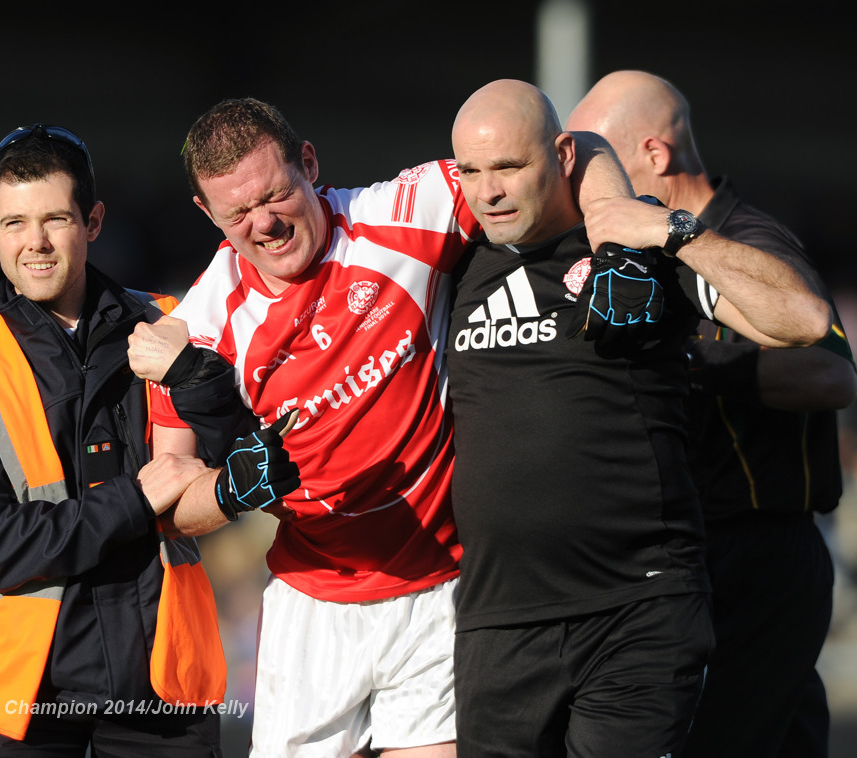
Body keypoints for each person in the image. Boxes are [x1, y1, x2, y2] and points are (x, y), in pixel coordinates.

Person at [125, 96, 631, 757]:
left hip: (442, 590)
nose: (265, 224)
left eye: (276, 195)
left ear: (310, 163)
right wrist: (229, 492)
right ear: (206, 213)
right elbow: (166, 501)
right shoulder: (197, 328)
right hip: (314, 607)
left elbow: (576, 150)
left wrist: (623, 237)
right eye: (237, 213)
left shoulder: (402, 212)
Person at [446, 79, 832, 758]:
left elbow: (805, 325)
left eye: (509, 167)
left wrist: (669, 230)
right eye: (471, 172)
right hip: (497, 624)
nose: (489, 191)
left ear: (560, 155)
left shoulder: (640, 251)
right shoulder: (451, 259)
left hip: (638, 614)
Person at [0, 123, 297, 757]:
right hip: (21, 707)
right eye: (15, 223)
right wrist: (133, 502)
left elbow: (251, 467)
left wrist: (199, 383)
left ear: (93, 221)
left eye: (56, 219)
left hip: (165, 699)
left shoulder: (179, 325)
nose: (35, 243)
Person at [567, 70, 857, 758]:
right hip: (694, 552)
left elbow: (832, 373)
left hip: (756, 552)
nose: (585, 183)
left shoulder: (748, 241)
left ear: (654, 156)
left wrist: (689, 360)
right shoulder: (636, 251)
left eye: (597, 158)